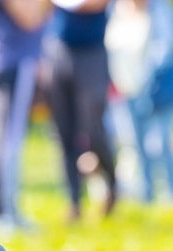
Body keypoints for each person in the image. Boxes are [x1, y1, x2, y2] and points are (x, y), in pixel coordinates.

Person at [0, 0, 52, 232]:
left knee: (2, 138)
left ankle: (1, 209)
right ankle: (7, 212)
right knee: (10, 141)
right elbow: (29, 17)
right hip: (14, 60)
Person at [42, 0, 117, 221]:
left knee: (94, 131)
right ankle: (74, 202)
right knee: (64, 133)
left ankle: (112, 186)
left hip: (92, 52)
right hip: (58, 49)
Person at [106, 0, 173, 204]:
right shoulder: (114, 8)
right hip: (125, 89)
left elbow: (166, 45)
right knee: (136, 144)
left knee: (160, 143)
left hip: (157, 88)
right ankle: (146, 194)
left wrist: (146, 78)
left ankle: (172, 195)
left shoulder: (159, 7)